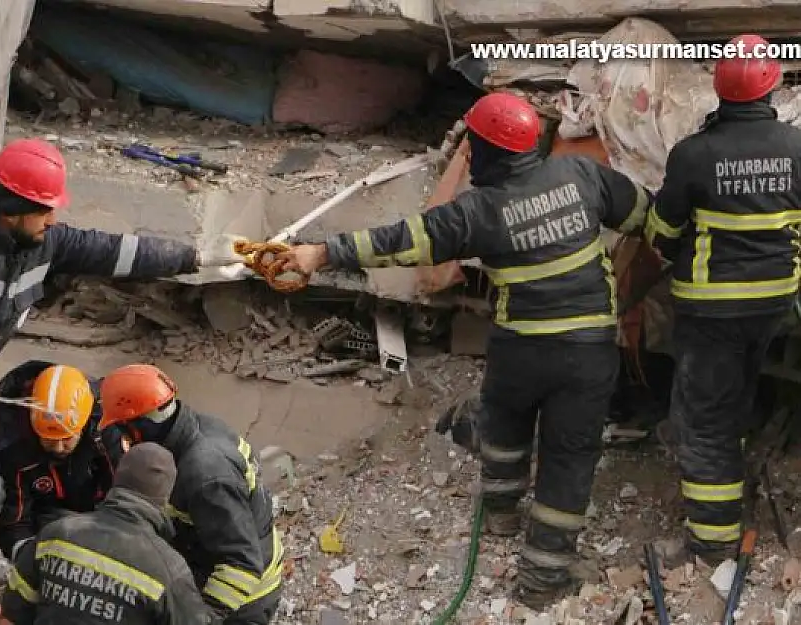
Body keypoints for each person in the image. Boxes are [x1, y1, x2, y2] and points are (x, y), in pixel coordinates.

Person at [0, 137, 246, 624]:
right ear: (14, 208)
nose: (53, 219)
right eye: (45, 210)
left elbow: (116, 252)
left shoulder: (43, 244)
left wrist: (197, 257)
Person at [274, 92, 652, 608]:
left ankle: (499, 516)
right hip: (587, 351)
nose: (470, 155)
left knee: (506, 422)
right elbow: (642, 217)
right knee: (570, 455)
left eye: (473, 146)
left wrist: (320, 253)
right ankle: (543, 576)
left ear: (491, 151)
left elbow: (402, 241)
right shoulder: (582, 175)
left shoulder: (477, 211)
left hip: (521, 346)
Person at [645, 33, 801, 565]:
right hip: (776, 306)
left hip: (711, 310)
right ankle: (733, 475)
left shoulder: (693, 154)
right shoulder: (798, 148)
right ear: (773, 87)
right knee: (734, 393)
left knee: (704, 419)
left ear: (720, 91)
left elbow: (661, 233)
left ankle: (712, 542)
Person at [96, 364, 283, 624]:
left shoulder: (205, 474)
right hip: (209, 560)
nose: (124, 438)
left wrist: (202, 617)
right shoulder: (192, 428)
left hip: (243, 600)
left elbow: (240, 564)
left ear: (140, 426)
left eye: (123, 429)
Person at [0, 442, 218, 625]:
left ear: (118, 478)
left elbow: (15, 607)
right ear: (164, 498)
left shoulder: (57, 533)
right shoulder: (169, 568)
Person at [0, 360, 126, 561]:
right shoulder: (16, 450)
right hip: (45, 523)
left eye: (67, 439)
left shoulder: (105, 435)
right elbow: (13, 521)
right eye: (49, 440)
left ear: (83, 425)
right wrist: (26, 556)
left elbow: (123, 494)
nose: (59, 448)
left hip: (100, 519)